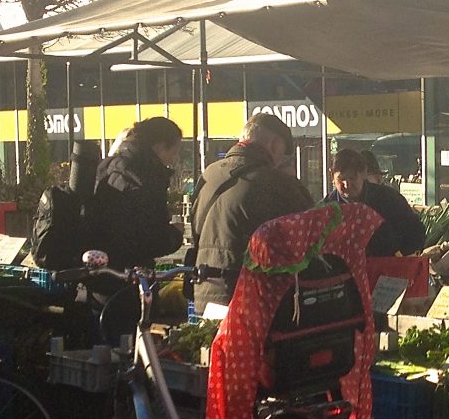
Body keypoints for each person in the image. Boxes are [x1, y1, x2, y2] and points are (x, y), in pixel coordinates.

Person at [191, 112, 313, 310]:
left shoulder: (209, 174)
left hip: (205, 293)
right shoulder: (273, 182)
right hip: (248, 299)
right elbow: (309, 224)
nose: (281, 159)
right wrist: (292, 182)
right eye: (282, 152)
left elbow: (196, 226)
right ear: (274, 145)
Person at [95, 116, 184, 271]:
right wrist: (175, 234)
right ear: (160, 147)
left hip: (102, 269)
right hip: (132, 274)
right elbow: (150, 238)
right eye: (174, 152)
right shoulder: (146, 176)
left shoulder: (109, 166)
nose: (174, 159)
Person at [323, 147, 425, 256]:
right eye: (341, 179)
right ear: (332, 177)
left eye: (352, 178)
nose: (347, 185)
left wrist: (402, 259)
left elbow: (415, 231)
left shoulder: (388, 199)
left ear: (363, 173)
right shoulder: (325, 209)